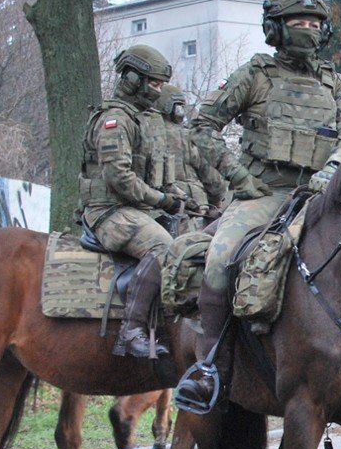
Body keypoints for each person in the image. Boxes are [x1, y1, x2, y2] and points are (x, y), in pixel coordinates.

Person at [173, 0, 341, 413]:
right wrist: (239, 177)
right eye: (298, 23)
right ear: (276, 29)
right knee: (220, 258)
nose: (307, 30)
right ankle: (209, 367)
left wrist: (329, 174)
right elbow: (202, 127)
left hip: (322, 195)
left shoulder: (335, 83)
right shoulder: (254, 75)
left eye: (314, 24)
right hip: (262, 193)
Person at [78, 44, 231, 359]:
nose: (158, 91)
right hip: (109, 212)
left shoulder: (141, 121)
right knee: (164, 248)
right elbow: (119, 178)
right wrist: (162, 200)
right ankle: (131, 330)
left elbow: (154, 174)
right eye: (155, 84)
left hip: (138, 209)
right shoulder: (115, 120)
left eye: (162, 85)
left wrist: (182, 201)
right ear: (133, 79)